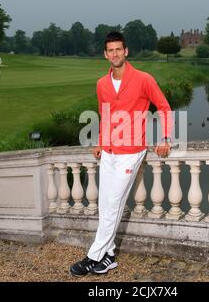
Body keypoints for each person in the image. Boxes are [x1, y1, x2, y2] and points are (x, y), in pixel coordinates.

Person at [70, 31, 173, 276]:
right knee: (106, 206)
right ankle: (109, 256)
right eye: (110, 50)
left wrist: (166, 138)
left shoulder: (143, 79)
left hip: (131, 152)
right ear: (105, 55)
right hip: (109, 152)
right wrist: (99, 141)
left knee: (114, 204)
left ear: (126, 51)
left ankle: (92, 256)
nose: (115, 54)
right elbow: (105, 115)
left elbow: (164, 108)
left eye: (119, 49)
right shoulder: (101, 84)